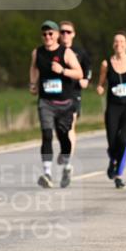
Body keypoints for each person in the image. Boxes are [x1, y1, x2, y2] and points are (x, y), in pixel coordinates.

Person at [29, 21, 84, 189]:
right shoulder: (37, 52)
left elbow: (79, 73)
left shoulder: (66, 52)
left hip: (65, 102)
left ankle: (67, 166)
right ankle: (47, 174)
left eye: (50, 33)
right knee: (46, 135)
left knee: (64, 137)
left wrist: (62, 71)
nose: (47, 37)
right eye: (44, 34)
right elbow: (33, 68)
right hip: (45, 102)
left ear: (57, 35)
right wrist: (33, 83)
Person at [96, 31, 126, 189]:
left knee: (123, 140)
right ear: (113, 44)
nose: (119, 44)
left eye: (122, 41)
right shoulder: (106, 64)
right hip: (113, 108)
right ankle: (113, 161)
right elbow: (101, 82)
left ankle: (118, 174)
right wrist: (100, 88)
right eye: (116, 41)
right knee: (112, 142)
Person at [59, 20, 92, 156]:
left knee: (70, 125)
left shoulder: (80, 52)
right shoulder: (54, 51)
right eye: (62, 32)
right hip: (57, 93)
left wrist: (86, 79)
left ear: (73, 34)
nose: (65, 34)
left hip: (73, 92)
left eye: (68, 32)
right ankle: (64, 148)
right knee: (59, 128)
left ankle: (68, 159)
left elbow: (88, 69)